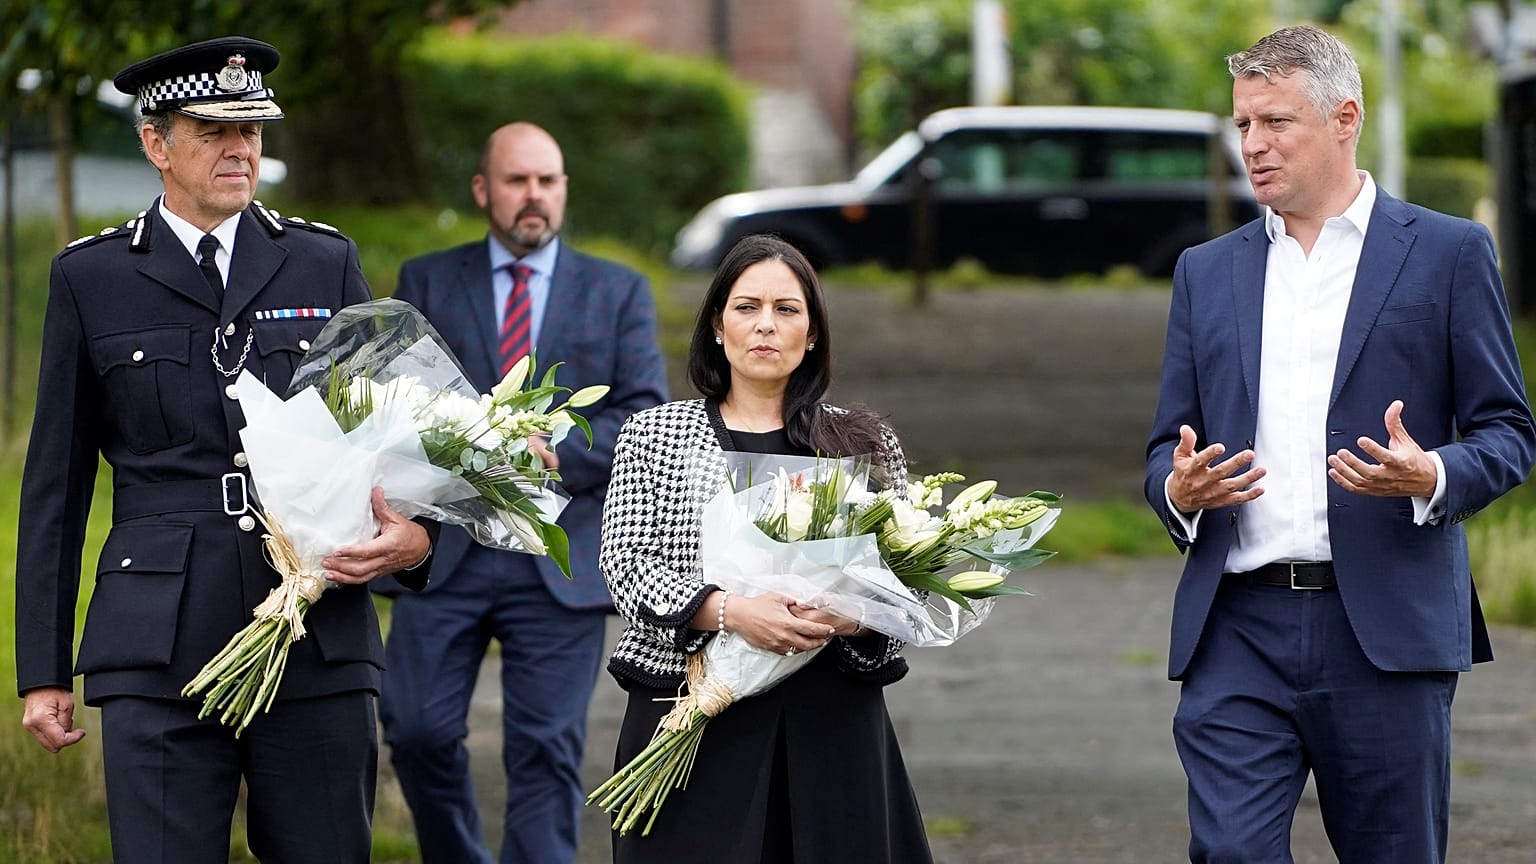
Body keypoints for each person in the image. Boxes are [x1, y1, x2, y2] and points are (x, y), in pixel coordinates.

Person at [14, 36, 434, 864]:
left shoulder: (322, 261)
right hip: (158, 643)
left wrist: (419, 539)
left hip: (315, 633)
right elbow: (55, 489)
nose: (239, 149)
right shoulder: (90, 279)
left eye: (251, 131)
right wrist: (44, 668)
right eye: (212, 131)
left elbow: (387, 437)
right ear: (155, 144)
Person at [1144, 25, 1536, 864]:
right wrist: (1179, 492)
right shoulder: (1205, 272)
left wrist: (1431, 471)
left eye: (1276, 122)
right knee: (1231, 853)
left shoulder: (1449, 253)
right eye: (1242, 124)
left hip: (1386, 631)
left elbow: (1509, 432)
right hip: (1235, 629)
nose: (1253, 144)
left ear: (1344, 118)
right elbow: (1161, 451)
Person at [380, 121, 668, 864]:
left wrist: (559, 452)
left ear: (564, 189)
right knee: (415, 730)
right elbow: (396, 401)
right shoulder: (429, 281)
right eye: (517, 181)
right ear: (484, 190)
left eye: (548, 180)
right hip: (444, 549)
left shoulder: (617, 290)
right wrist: (468, 443)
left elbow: (642, 413)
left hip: (558, 556)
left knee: (545, 748)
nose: (534, 196)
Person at [600, 234, 934, 863]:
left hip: (830, 718)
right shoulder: (657, 432)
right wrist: (731, 611)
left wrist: (853, 614)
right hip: (695, 706)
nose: (765, 325)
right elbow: (628, 564)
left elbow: (908, 584)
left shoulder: (861, 441)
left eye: (787, 310)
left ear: (812, 336)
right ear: (718, 327)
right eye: (746, 306)